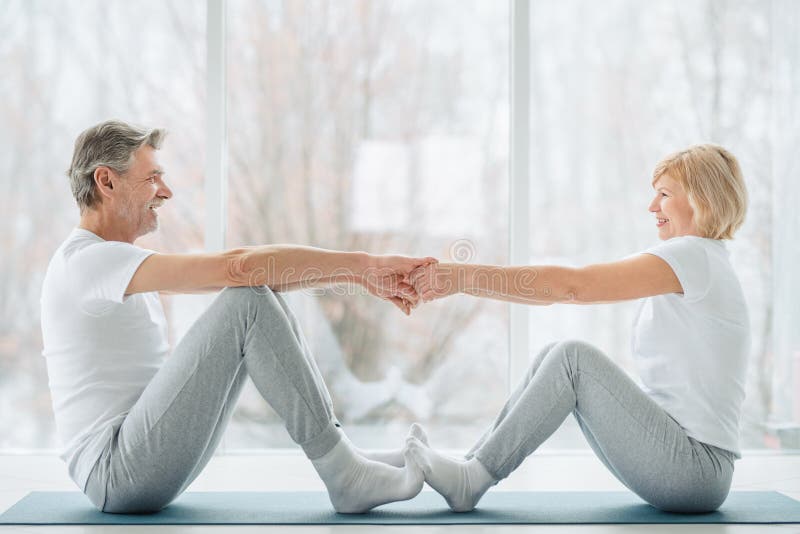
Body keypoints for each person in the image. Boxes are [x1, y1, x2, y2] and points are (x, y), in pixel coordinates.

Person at [40, 119, 436, 514]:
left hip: (135, 460)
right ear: (106, 182)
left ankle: (344, 457)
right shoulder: (87, 262)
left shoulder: (112, 264)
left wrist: (361, 274)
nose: (166, 192)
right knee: (246, 300)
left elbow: (254, 276)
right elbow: (239, 268)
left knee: (260, 295)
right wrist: (366, 266)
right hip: (116, 472)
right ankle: (343, 473)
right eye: (152, 178)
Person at [405, 144, 750, 513]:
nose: (652, 207)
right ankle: (470, 468)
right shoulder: (704, 261)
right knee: (553, 356)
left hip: (695, 471)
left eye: (664, 194)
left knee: (573, 360)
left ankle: (472, 478)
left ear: (702, 199)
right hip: (691, 467)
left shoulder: (693, 255)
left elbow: (574, 285)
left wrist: (461, 277)